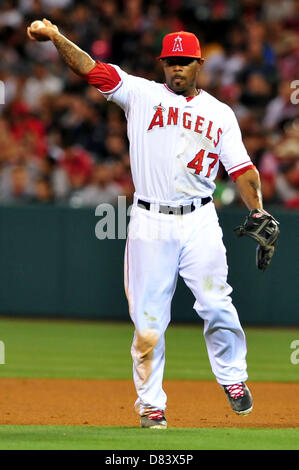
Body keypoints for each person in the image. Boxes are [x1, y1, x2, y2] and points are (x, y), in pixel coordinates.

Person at [28, 20, 273, 429]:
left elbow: (242, 169)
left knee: (216, 303)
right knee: (148, 324)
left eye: (185, 62)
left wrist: (259, 210)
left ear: (199, 64)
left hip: (199, 220)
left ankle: (233, 378)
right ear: (162, 64)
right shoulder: (139, 94)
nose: (177, 68)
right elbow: (91, 69)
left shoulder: (219, 113)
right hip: (149, 221)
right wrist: (57, 37)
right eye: (171, 61)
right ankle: (151, 405)